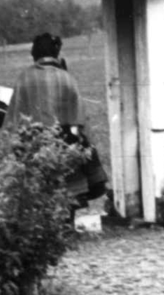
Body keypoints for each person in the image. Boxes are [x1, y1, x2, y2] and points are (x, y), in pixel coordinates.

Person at [6, 33, 104, 205]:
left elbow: (13, 118)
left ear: (34, 53)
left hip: (33, 144)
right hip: (63, 143)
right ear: (56, 53)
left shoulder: (25, 78)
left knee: (38, 194)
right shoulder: (66, 78)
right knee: (68, 191)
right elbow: (79, 119)